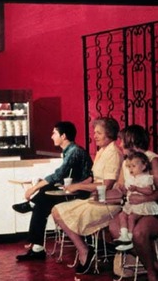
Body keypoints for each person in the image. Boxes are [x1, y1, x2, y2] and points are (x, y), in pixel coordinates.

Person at [51, 117, 123, 275]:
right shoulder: (102, 151)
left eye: (98, 133)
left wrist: (78, 186)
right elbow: (93, 177)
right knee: (56, 210)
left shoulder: (114, 153)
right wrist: (74, 185)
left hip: (108, 203)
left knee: (59, 212)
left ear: (109, 134)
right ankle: (86, 248)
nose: (94, 136)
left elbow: (106, 185)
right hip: (96, 198)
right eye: (94, 132)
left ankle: (85, 251)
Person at [13, 121, 93, 261]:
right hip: (71, 189)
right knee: (42, 202)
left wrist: (34, 188)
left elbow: (59, 175)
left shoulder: (74, 151)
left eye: (54, 133)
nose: (51, 136)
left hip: (79, 192)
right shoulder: (70, 151)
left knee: (43, 196)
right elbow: (62, 177)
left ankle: (37, 247)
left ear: (63, 136)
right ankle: (37, 247)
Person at [113, 151, 158, 251]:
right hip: (132, 204)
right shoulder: (131, 179)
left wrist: (137, 189)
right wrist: (123, 190)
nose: (131, 169)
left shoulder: (146, 178)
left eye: (133, 166)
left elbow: (149, 191)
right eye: (129, 166)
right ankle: (124, 235)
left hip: (143, 205)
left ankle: (130, 237)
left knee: (131, 217)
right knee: (122, 215)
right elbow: (127, 192)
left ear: (143, 166)